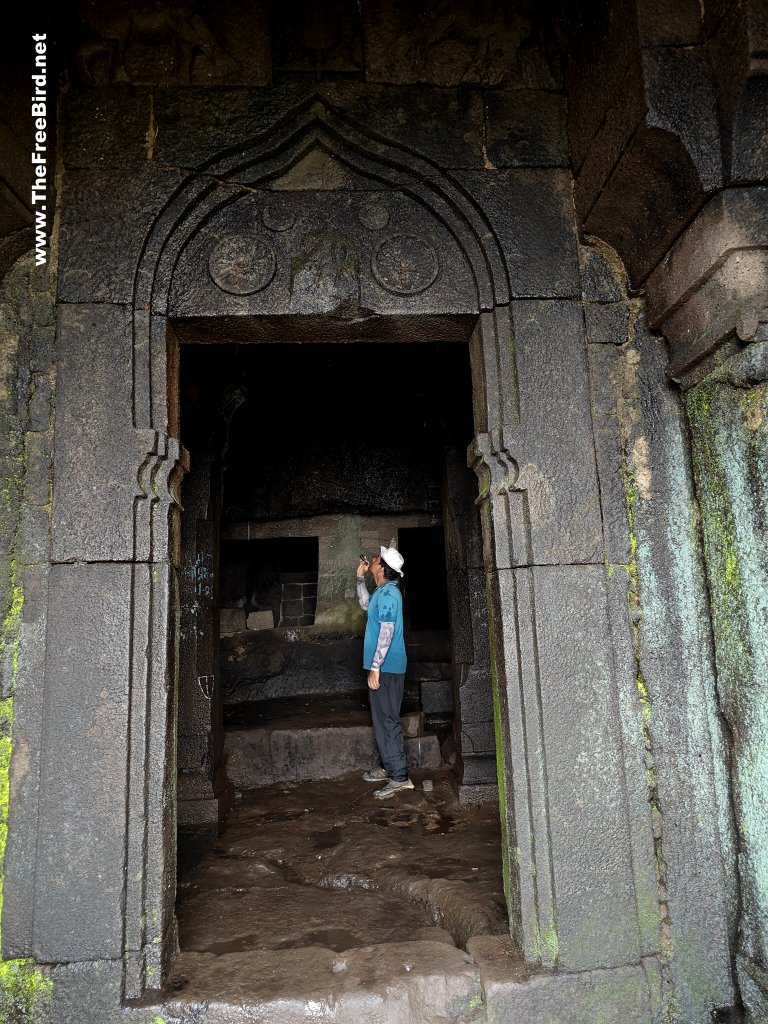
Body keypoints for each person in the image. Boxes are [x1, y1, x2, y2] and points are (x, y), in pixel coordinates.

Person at [356, 545, 413, 799]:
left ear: (383, 568)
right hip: (383, 667)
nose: (374, 559)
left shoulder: (390, 595)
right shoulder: (382, 592)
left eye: (378, 558)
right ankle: (390, 766)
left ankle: (399, 776)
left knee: (388, 719)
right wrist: (360, 577)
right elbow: (365, 605)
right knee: (382, 718)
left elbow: (387, 633)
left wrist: (376, 668)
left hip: (387, 668)